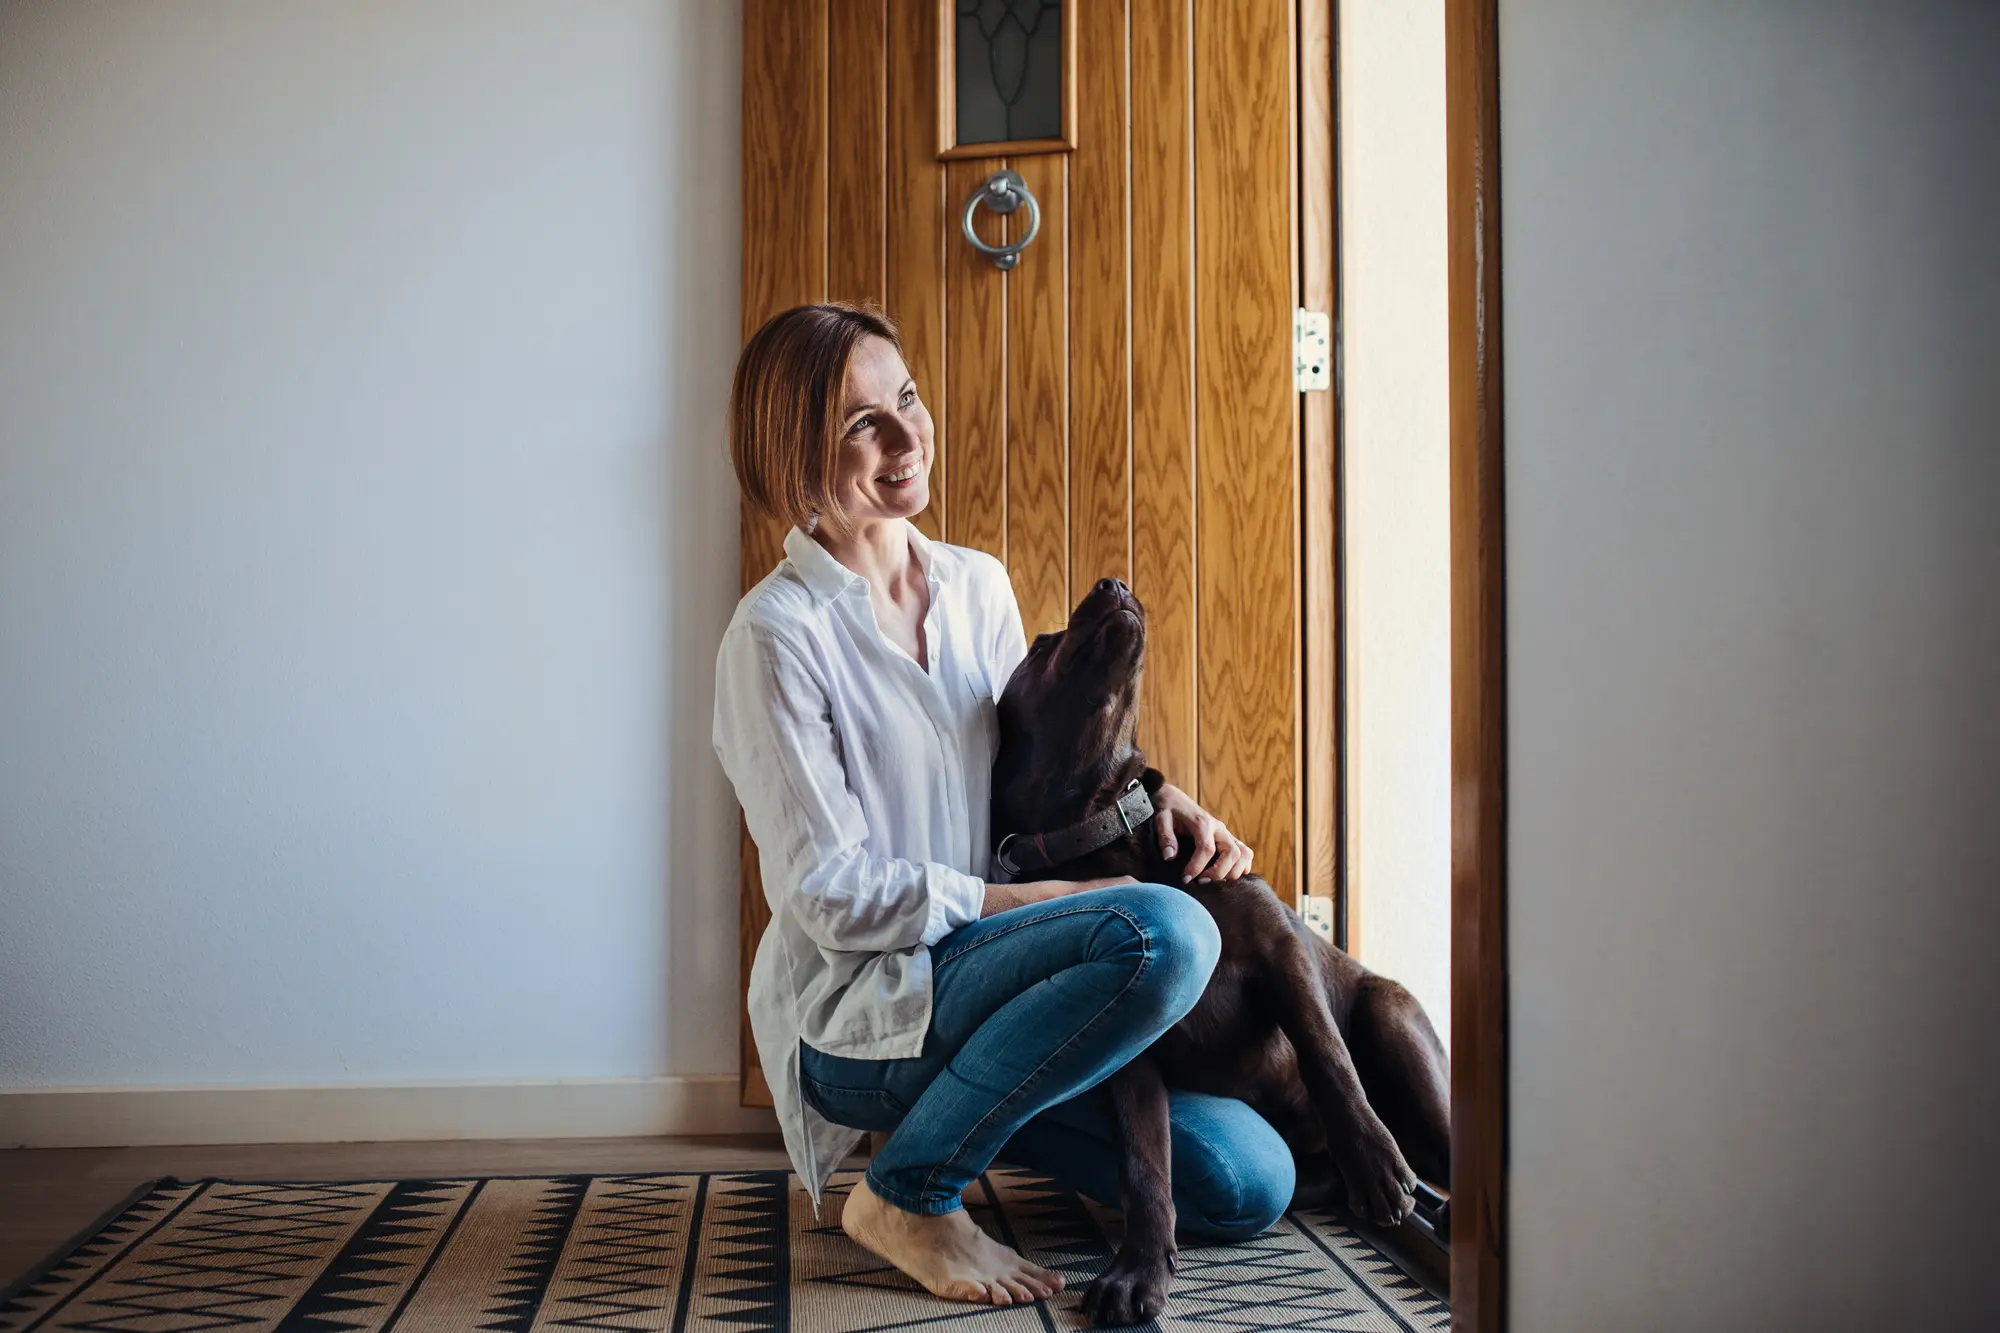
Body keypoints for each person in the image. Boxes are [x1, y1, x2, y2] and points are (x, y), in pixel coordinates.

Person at [712, 302, 1295, 1307]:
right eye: (862, 424)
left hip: (1007, 991)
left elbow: (1037, 768)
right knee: (1167, 934)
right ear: (792, 451)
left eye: (905, 399)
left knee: (1247, 1181)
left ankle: (976, 1109)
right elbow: (828, 895)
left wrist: (1158, 794)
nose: (905, 439)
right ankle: (906, 1189)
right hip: (862, 1013)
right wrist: (1034, 905)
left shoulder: (976, 585)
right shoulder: (775, 635)